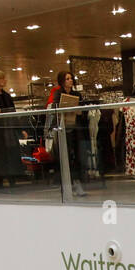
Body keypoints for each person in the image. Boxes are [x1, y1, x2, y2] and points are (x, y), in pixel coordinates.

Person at [46, 70, 88, 198]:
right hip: (64, 129)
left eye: (71, 78)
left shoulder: (77, 94)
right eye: (67, 78)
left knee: (77, 155)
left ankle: (77, 182)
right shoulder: (58, 94)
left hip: (75, 128)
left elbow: (81, 110)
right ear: (62, 81)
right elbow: (56, 110)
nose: (70, 81)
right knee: (66, 157)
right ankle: (68, 184)